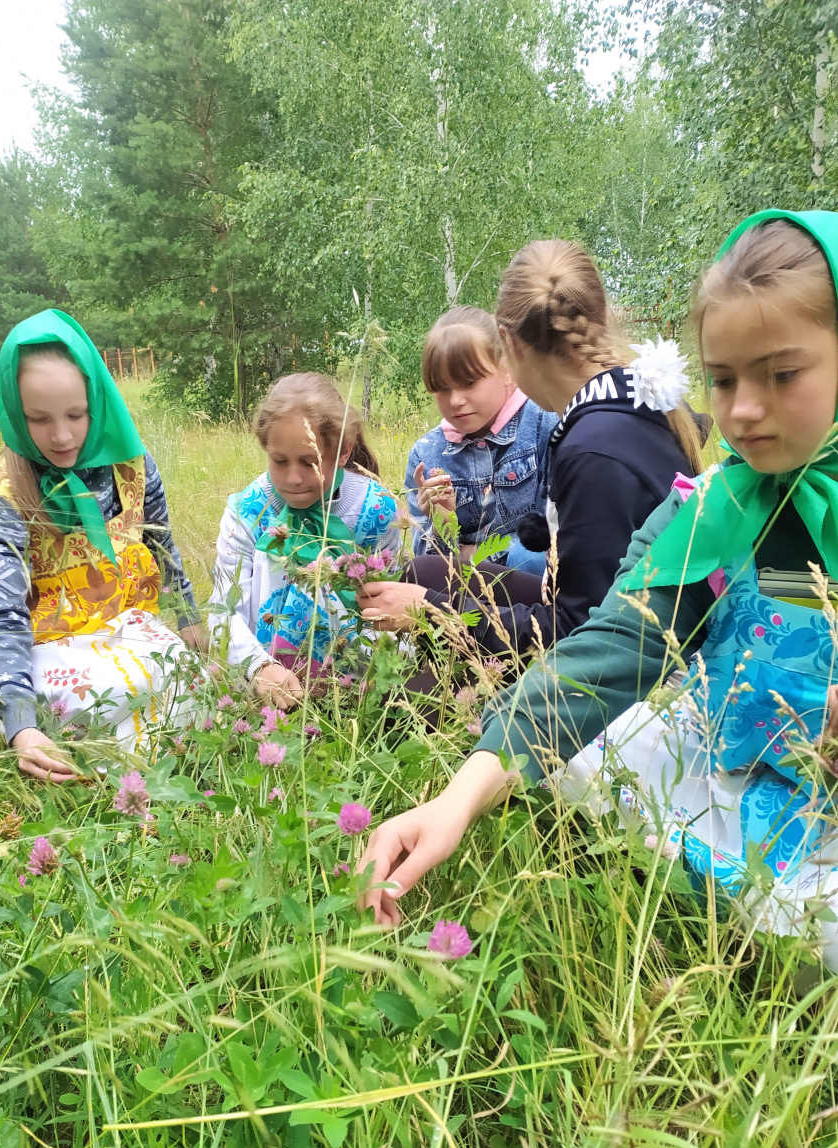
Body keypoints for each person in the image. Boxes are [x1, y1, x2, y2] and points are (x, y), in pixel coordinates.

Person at [359, 209, 838, 971]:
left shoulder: (597, 447)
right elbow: (610, 646)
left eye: (782, 374)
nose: (743, 409)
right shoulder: (709, 511)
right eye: (722, 378)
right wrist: (458, 796)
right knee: (578, 755)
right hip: (742, 759)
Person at [358, 241, 703, 659]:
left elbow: (582, 637)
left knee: (418, 694)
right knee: (424, 570)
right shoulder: (630, 397)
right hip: (601, 609)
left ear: (508, 346)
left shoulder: (590, 451)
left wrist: (432, 612)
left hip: (621, 657)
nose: (456, 399)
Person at [0, 309, 206, 783]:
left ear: (98, 400)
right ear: (14, 410)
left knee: (182, 674)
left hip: (129, 633)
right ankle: (81, 760)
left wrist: (188, 619)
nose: (62, 435)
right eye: (38, 418)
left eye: (76, 414)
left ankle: (146, 772)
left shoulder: (131, 464)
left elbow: (162, 548)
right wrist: (21, 726)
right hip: (51, 650)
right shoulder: (3, 492)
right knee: (93, 697)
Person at [209, 372, 399, 708]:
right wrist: (258, 667)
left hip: (355, 693)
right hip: (268, 691)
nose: (293, 478)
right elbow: (223, 610)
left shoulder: (376, 511)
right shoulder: (247, 512)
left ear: (343, 452)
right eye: (279, 461)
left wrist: (374, 677)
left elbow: (390, 606)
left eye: (310, 462)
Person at [403, 306, 557, 574]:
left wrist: (474, 555)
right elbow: (428, 564)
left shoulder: (544, 425)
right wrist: (441, 525)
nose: (455, 400)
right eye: (442, 388)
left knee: (527, 560)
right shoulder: (426, 456)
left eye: (469, 382)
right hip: (463, 595)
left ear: (506, 368)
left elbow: (553, 541)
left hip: (535, 596)